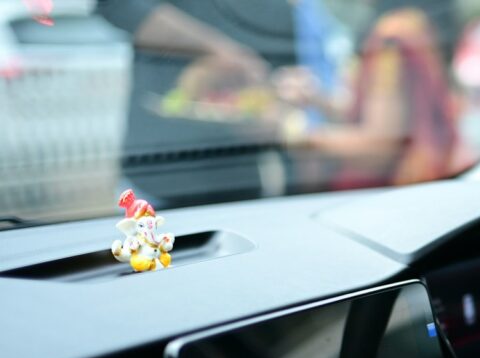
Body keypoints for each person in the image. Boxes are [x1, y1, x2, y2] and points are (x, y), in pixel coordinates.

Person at [95, 1, 314, 206]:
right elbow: (117, 4)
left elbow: (286, 76)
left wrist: (279, 104)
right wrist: (218, 50)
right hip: (159, 168)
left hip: (242, 181)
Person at [277, 0, 459, 189]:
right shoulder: (411, 20)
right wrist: (317, 99)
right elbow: (371, 112)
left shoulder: (391, 38)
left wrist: (296, 135)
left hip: (396, 193)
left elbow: (379, 148)